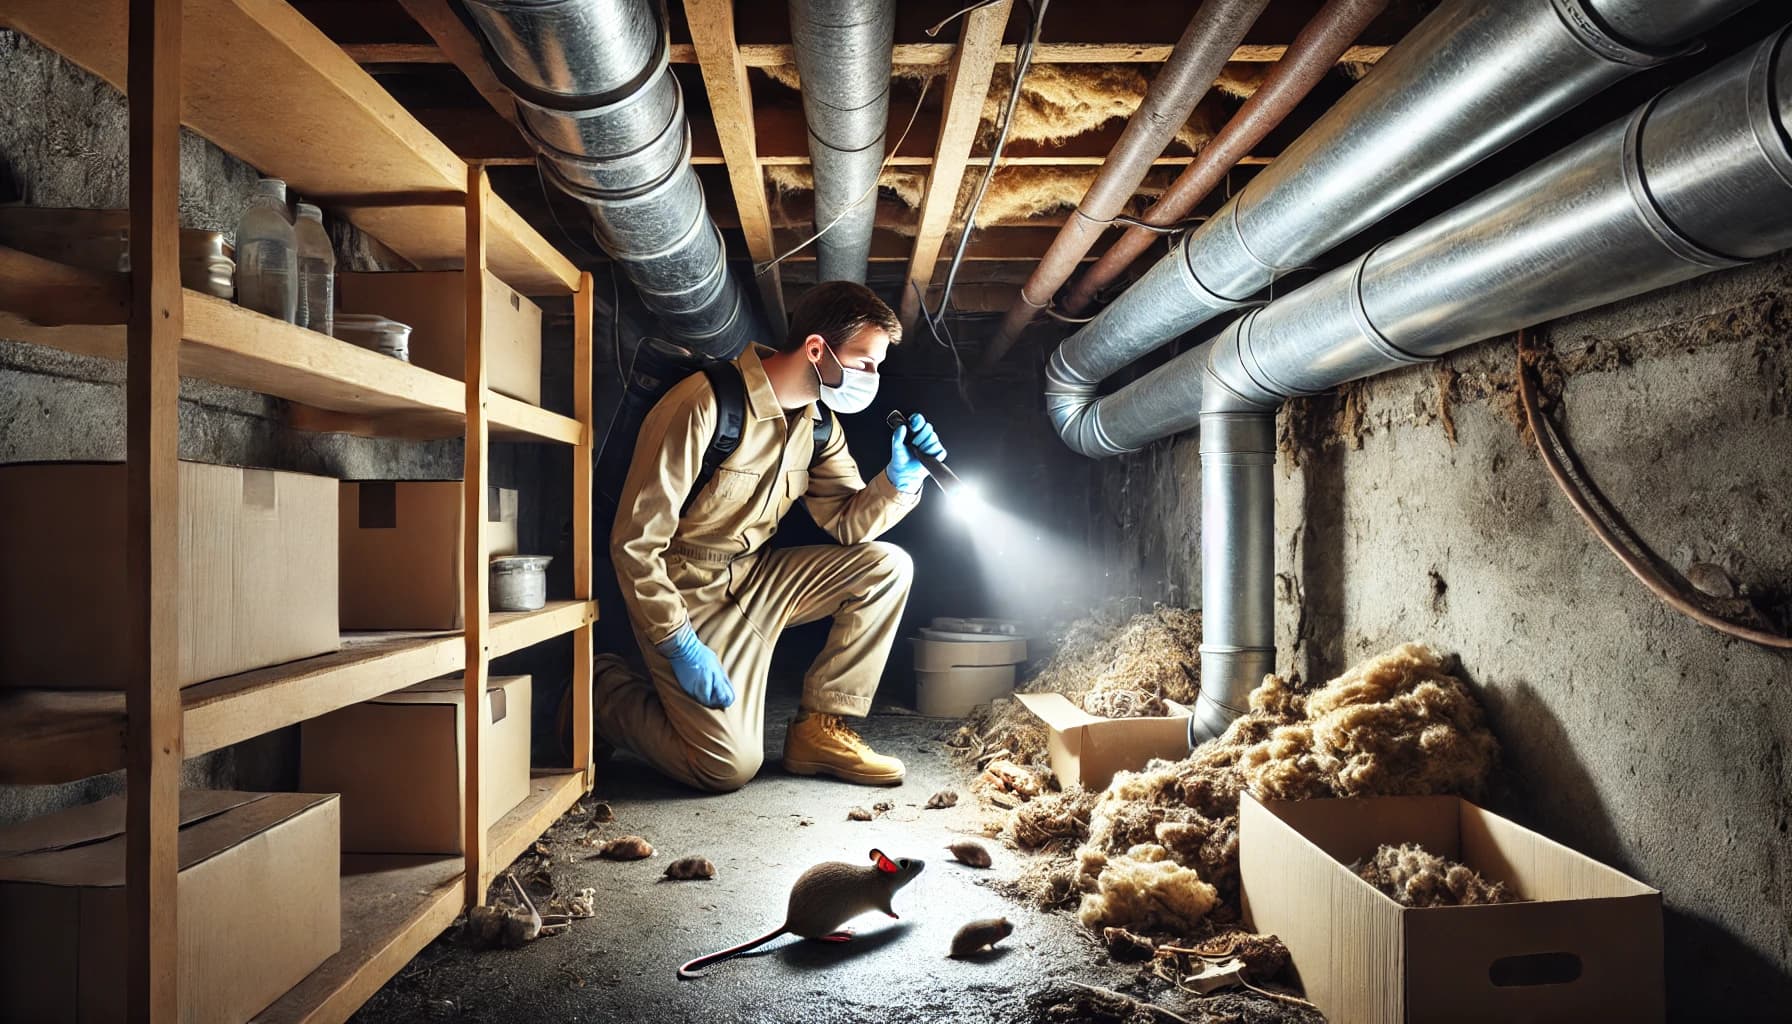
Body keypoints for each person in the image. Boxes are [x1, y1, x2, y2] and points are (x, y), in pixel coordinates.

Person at [596, 281, 948, 793]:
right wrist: (678, 643)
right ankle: (597, 690)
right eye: (866, 363)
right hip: (687, 588)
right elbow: (634, 542)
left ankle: (820, 729)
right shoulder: (705, 404)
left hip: (755, 577)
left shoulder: (818, 424)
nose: (873, 378)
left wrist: (899, 481)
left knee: (887, 566)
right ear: (815, 349)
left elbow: (848, 523)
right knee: (726, 768)